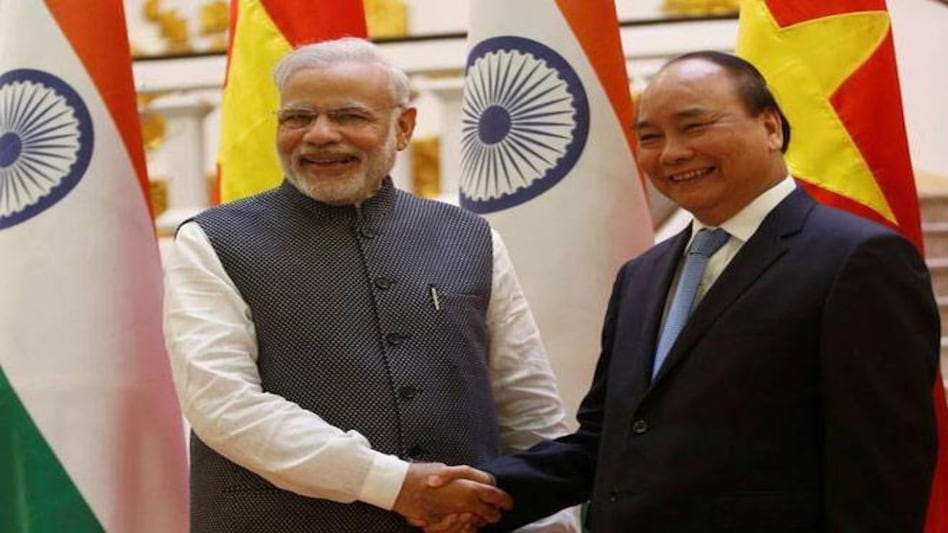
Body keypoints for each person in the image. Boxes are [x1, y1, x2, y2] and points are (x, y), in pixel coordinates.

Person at [428, 51, 940, 532]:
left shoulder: (858, 260)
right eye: (649, 137)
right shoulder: (643, 275)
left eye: (695, 126)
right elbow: (608, 442)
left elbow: (883, 464)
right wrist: (488, 490)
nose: (672, 153)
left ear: (770, 127)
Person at [162, 37, 578, 533]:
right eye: (297, 118)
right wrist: (392, 484)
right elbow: (223, 404)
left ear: (403, 128)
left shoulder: (469, 235)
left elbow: (526, 403)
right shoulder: (212, 241)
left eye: (349, 116)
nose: (319, 135)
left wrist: (550, 523)